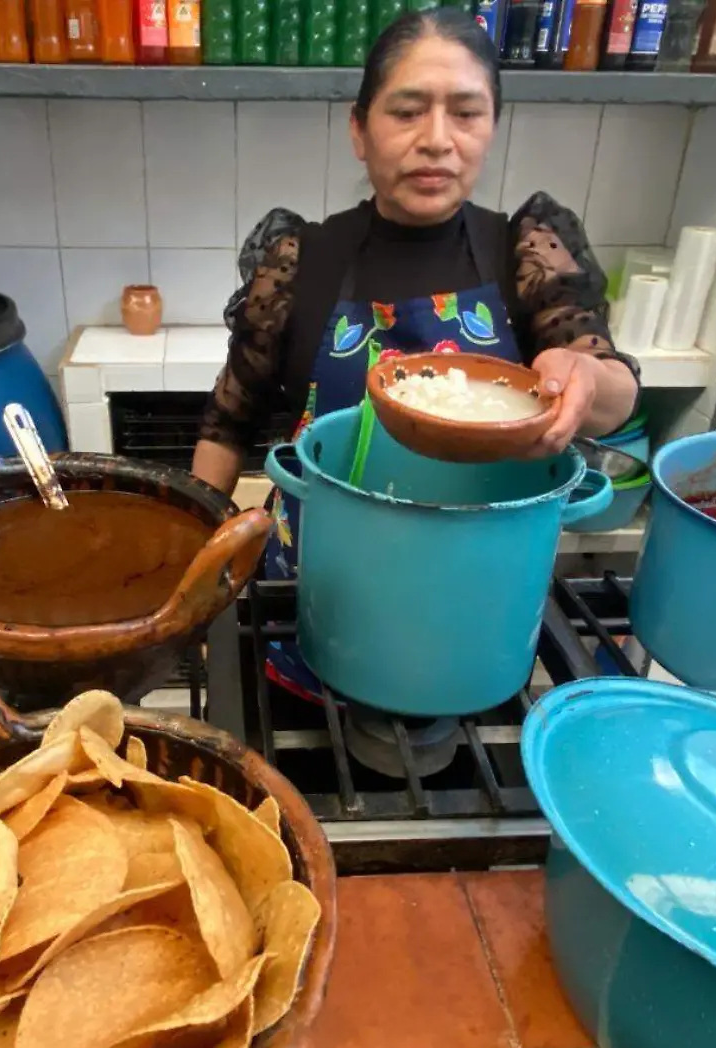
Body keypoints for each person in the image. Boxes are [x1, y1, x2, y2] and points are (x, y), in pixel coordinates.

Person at [190, 8, 640, 699]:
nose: (437, 141)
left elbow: (611, 393)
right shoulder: (301, 262)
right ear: (359, 129)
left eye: (467, 113)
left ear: (492, 127)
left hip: (469, 620)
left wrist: (585, 379)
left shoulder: (526, 253)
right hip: (313, 603)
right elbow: (229, 422)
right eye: (407, 112)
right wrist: (192, 573)